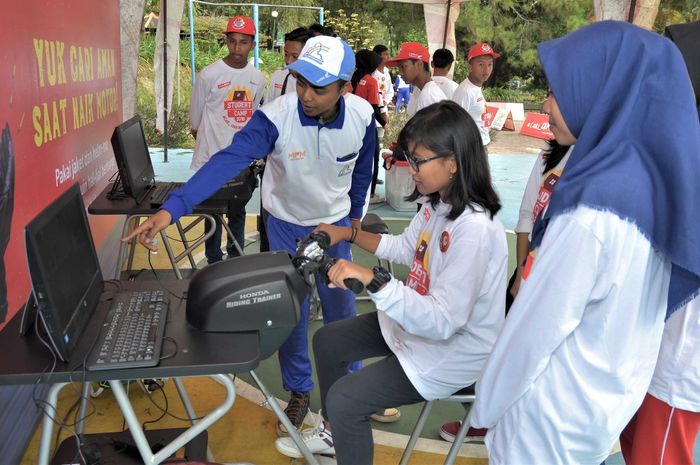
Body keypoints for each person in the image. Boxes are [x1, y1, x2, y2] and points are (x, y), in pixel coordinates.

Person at [470, 20, 700, 464]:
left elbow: (533, 332)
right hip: (597, 413)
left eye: (558, 89)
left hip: (542, 425)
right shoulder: (650, 190)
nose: (547, 102)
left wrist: (486, 403)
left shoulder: (591, 214)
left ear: (605, 93)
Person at [124, 35, 376, 438]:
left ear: (345, 88)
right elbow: (227, 161)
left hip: (334, 229)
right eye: (301, 83)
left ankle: (353, 392)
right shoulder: (275, 117)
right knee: (291, 314)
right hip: (284, 225)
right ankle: (299, 392)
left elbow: (364, 168)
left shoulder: (362, 116)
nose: (307, 95)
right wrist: (172, 209)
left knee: (342, 317)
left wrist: (355, 218)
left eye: (320, 88)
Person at [274, 100, 508, 464]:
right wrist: (345, 233)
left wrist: (371, 278)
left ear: (452, 162)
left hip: (452, 351)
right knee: (328, 341)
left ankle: (342, 428)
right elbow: (403, 247)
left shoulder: (474, 230)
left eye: (417, 160)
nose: (409, 169)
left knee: (345, 399)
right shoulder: (438, 203)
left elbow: (444, 321)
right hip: (418, 324)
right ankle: (338, 437)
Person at [439, 139, 572, 444]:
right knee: (499, 351)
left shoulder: (595, 157)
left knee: (541, 363)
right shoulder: (549, 154)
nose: (548, 105)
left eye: (556, 96)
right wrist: (522, 271)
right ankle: (482, 420)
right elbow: (527, 215)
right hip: (530, 272)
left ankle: (526, 431)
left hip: (559, 283)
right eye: (548, 93)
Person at [619, 20, 700, 465]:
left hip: (679, 358)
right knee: (635, 447)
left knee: (658, 455)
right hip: (647, 347)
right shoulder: (676, 148)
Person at [189, 16, 266, 264]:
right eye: (232, 42)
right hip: (211, 157)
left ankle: (235, 260)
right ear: (226, 41)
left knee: (237, 211)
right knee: (211, 213)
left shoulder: (257, 78)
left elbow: (253, 115)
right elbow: (196, 119)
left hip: (241, 159)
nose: (237, 48)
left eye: (243, 43)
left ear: (252, 45)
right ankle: (213, 261)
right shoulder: (209, 75)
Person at [351, 50, 387, 206]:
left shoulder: (352, 79)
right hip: (367, 126)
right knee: (372, 159)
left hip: (352, 124)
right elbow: (373, 107)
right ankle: (371, 194)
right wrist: (385, 122)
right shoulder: (371, 81)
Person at [452, 42, 499, 147]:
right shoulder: (465, 91)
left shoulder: (475, 88)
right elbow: (455, 125)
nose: (486, 70)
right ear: (470, 67)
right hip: (472, 150)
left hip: (480, 146)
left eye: (490, 64)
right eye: (481, 64)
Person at [387, 42, 446, 117]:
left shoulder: (428, 96)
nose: (400, 72)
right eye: (399, 68)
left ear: (419, 65)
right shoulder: (419, 90)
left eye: (403, 66)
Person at [266, 27, 311, 102]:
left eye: (295, 56)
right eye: (286, 54)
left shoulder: (317, 84)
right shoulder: (278, 76)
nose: (289, 61)